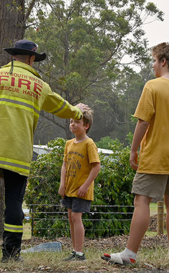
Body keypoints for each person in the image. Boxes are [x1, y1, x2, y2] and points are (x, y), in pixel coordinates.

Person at [0, 39, 86, 263]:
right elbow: (61, 107)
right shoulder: (39, 86)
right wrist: (77, 112)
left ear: (13, 56)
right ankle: (11, 254)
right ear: (31, 59)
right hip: (18, 153)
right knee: (14, 203)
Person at [102, 42, 169, 267]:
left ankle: (129, 254)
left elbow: (144, 120)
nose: (153, 65)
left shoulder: (152, 86)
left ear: (163, 61)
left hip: (155, 154)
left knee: (142, 200)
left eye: (154, 61)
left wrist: (133, 149)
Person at [59, 107, 100, 262]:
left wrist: (85, 186)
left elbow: (96, 166)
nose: (73, 125)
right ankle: (75, 251)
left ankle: (80, 253)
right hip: (69, 189)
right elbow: (64, 164)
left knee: (76, 217)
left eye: (77, 122)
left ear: (86, 126)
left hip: (81, 191)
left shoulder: (89, 144)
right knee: (71, 217)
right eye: (71, 122)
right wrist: (62, 184)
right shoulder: (69, 144)